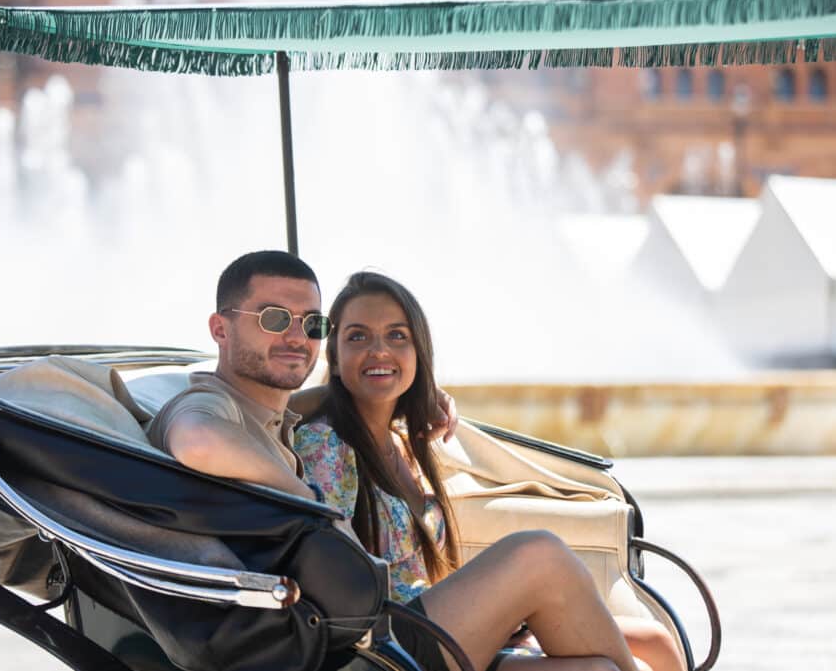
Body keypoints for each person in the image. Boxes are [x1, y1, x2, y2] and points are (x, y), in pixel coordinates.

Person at [150, 251, 641, 671]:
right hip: (357, 650)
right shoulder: (213, 406)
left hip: (365, 633)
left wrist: (406, 400)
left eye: (312, 324)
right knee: (539, 554)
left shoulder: (273, 417)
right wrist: (311, 502)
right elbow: (197, 440)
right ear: (220, 328)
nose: (296, 337)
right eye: (274, 318)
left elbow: (321, 401)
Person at [292, 271, 682, 671]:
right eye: (358, 336)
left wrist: (498, 615)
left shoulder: (405, 445)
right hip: (385, 643)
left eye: (397, 336)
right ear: (334, 360)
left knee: (653, 642)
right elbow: (337, 580)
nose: (379, 350)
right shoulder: (325, 445)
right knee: (539, 553)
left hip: (434, 624)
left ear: (418, 353)